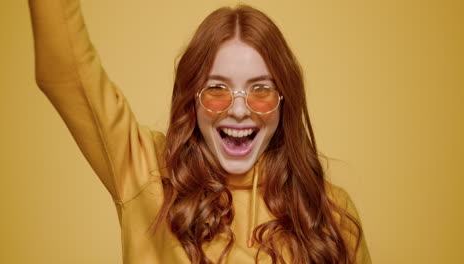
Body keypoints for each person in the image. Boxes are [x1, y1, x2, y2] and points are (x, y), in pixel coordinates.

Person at [28, 0, 372, 263]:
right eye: (217, 89)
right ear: (192, 98)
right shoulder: (147, 175)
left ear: (284, 101)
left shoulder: (329, 211)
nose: (239, 110)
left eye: (261, 90)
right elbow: (66, 74)